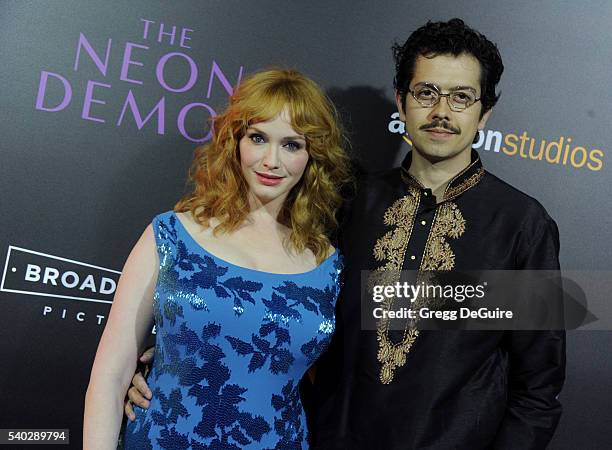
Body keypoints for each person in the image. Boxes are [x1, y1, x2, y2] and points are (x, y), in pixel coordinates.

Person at [126, 19, 566, 449]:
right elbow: (269, 293)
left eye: (462, 98)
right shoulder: (350, 201)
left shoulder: (520, 225)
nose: (441, 112)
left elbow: (537, 390)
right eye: (426, 93)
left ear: (485, 112)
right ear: (402, 100)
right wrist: (173, 357)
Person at [83, 68, 351, 449]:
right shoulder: (171, 235)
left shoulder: (329, 266)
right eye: (258, 138)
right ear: (235, 141)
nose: (271, 160)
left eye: (292, 144)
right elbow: (110, 375)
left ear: (313, 156)